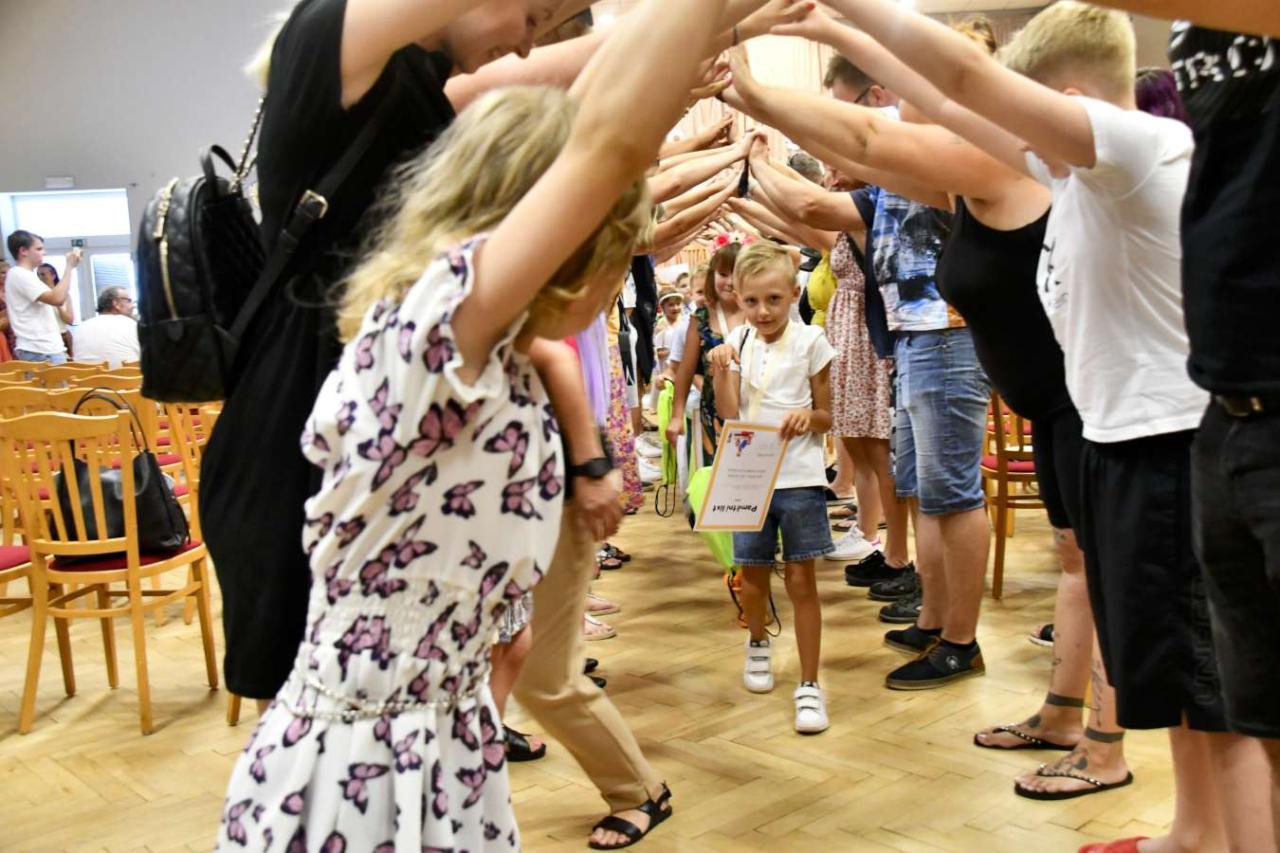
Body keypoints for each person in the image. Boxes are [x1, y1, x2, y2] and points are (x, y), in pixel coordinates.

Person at [214, 0, 727, 845]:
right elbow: (608, 143)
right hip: (359, 771)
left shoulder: (497, 355)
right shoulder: (435, 329)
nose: (616, 276)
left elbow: (600, 131)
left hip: (441, 754)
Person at [811, 1, 1273, 849]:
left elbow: (961, 83)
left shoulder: (1133, 148)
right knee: (1173, 670)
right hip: (1121, 441)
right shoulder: (1082, 173)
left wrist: (840, 16)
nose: (1007, 136)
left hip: (1165, 442)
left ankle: (1221, 837)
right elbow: (948, 103)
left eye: (1025, 112)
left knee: (1215, 687)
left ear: (1068, 103)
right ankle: (1195, 830)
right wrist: (834, 39)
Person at [201, 0, 601, 712]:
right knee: (309, 700)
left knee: (428, 681)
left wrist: (724, 25)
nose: (525, 46)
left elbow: (575, 76)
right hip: (298, 423)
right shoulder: (329, 48)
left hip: (367, 413)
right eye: (532, 18)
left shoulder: (420, 82)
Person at [708, 241, 835, 733]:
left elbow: (827, 415)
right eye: (751, 301)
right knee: (752, 573)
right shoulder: (738, 340)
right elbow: (729, 412)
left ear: (794, 293)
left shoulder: (811, 341)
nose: (762, 311)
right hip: (748, 476)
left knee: (803, 580)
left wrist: (807, 417)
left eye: (774, 299)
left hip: (800, 477)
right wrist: (721, 370)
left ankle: (810, 682)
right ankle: (757, 641)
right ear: (737, 298)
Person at [3, 231, 77, 365]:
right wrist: (69, 267)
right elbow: (57, 299)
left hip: (43, 349)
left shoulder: (25, 275)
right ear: (23, 251)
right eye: (38, 249)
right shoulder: (19, 274)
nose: (44, 252)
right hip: (40, 350)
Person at [71, 286, 140, 368]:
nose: (133, 306)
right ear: (116, 304)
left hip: (85, 376)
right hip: (127, 375)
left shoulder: (80, 327)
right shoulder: (130, 324)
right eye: (129, 301)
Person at [36, 263, 74, 357]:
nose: (40, 277)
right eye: (38, 275)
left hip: (62, 336)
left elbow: (70, 320)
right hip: (44, 339)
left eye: (43, 274)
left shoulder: (65, 295)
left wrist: (57, 302)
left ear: (53, 275)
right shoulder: (37, 296)